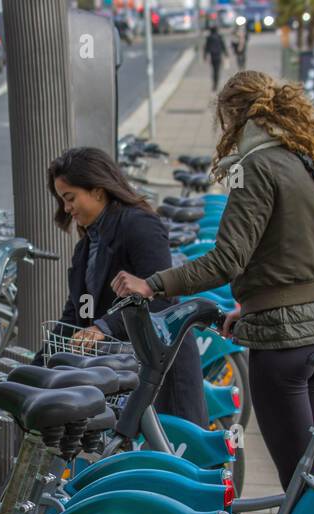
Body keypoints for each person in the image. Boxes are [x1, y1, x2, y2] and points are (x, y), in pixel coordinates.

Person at [112, 71, 314, 514]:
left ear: (233, 116)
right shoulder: (306, 160)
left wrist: (155, 282)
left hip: (283, 348)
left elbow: (228, 257)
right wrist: (255, 305)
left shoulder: (255, 166)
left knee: (302, 484)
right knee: (306, 480)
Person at [46, 146, 208, 426]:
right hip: (124, 374)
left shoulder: (139, 225)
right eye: (62, 200)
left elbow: (160, 298)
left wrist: (103, 327)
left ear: (98, 190)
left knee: (172, 460)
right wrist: (40, 366)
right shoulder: (87, 246)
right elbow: (76, 314)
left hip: (162, 369)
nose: (67, 208)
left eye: (70, 198)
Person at [204, 26, 227, 92]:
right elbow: (223, 45)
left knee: (214, 70)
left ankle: (214, 84)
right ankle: (216, 83)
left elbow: (206, 47)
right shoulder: (220, 37)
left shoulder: (209, 37)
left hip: (212, 56)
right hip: (218, 56)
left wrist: (205, 56)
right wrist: (226, 54)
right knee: (217, 71)